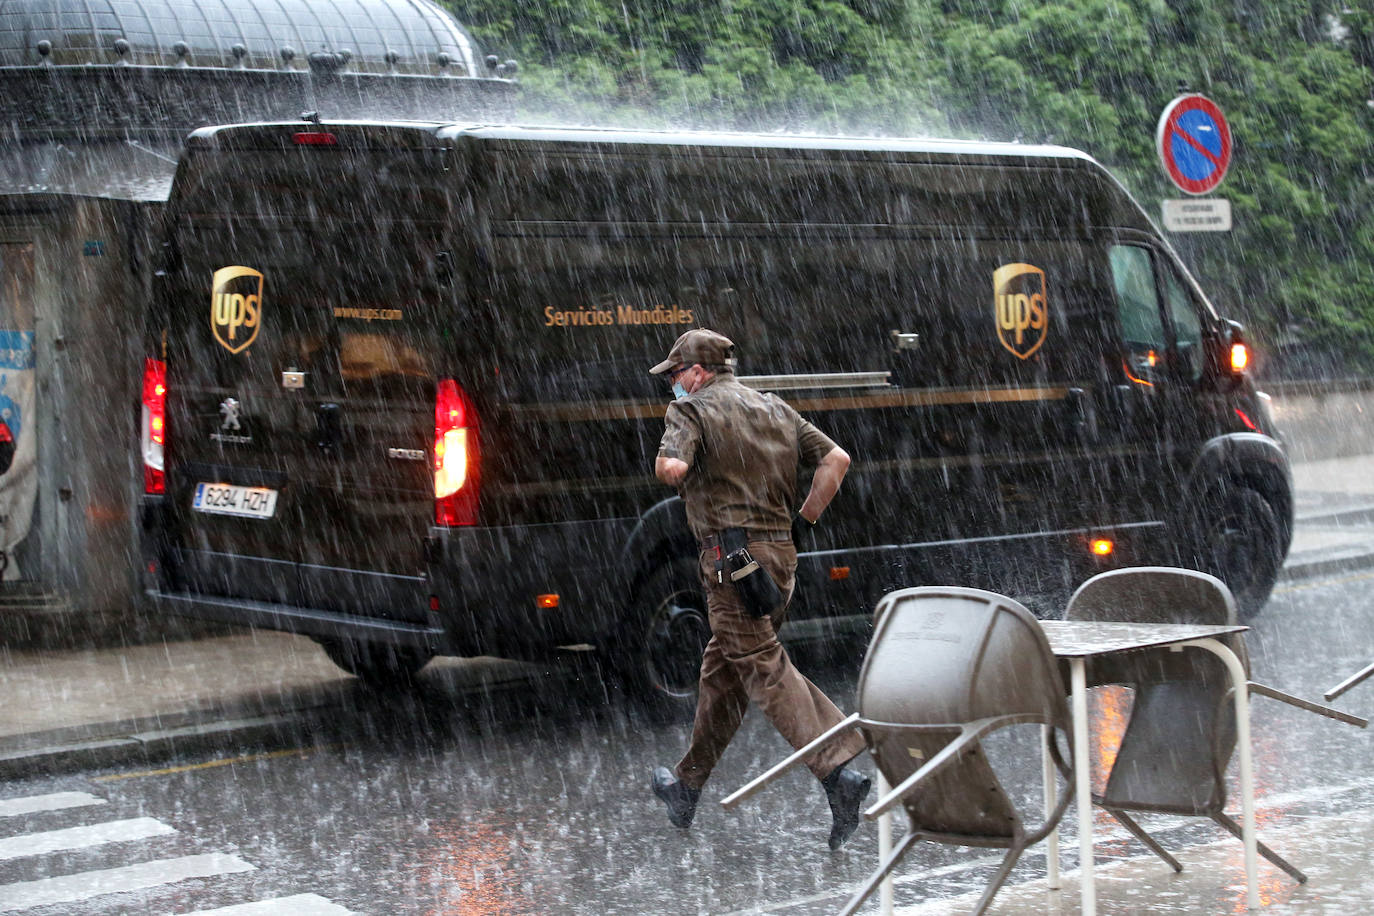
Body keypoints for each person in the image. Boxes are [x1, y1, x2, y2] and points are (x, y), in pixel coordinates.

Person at [646, 328, 870, 850]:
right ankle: (687, 785)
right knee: (723, 672)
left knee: (765, 669)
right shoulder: (775, 409)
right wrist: (803, 522)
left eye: (676, 375)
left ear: (698, 373)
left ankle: (838, 772)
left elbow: (672, 466)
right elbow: (837, 460)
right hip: (778, 560)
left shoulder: (691, 411)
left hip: (730, 563)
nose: (674, 385)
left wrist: (669, 464)